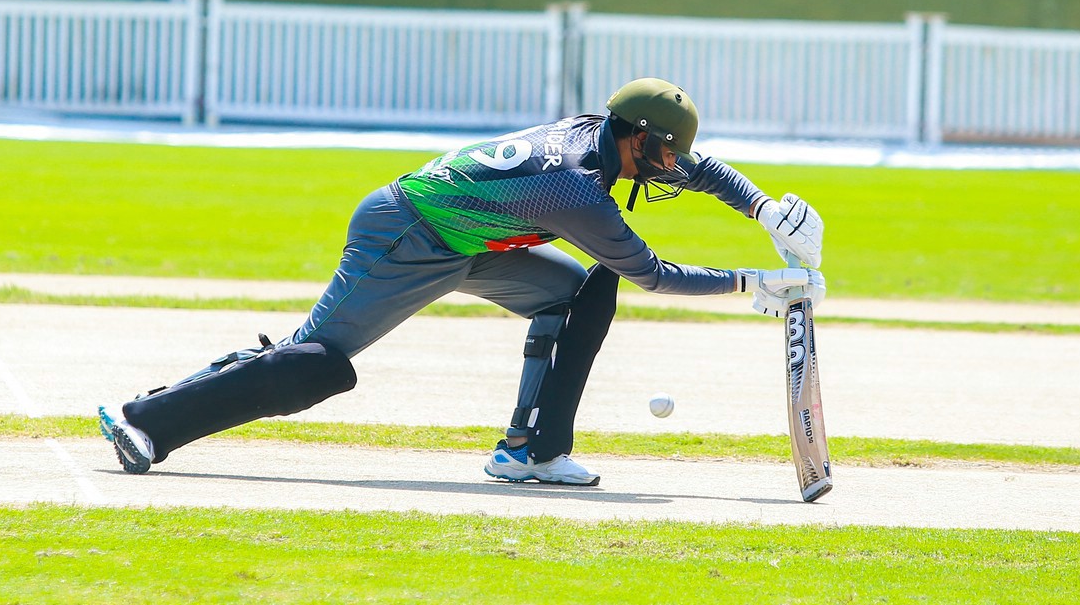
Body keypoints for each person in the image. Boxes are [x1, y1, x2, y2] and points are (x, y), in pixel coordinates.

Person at [99, 77, 825, 486]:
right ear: (637, 137)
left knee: (578, 292)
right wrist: (753, 284)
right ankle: (148, 422)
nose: (672, 168)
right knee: (314, 364)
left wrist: (764, 209)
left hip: (471, 240)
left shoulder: (602, 133)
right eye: (664, 154)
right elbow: (653, 274)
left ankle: (529, 451)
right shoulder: (576, 188)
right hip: (406, 234)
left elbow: (703, 170)